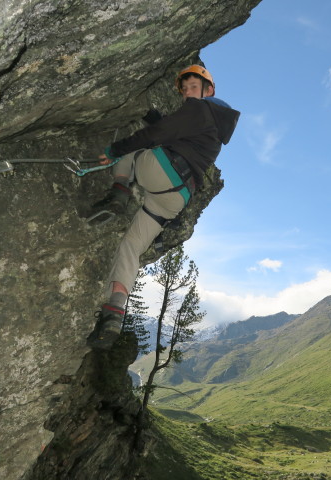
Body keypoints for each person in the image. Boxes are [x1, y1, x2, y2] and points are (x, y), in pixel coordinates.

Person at [86, 65, 240, 350]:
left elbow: (158, 134)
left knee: (134, 145)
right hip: (176, 197)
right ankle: (114, 314)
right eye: (185, 89)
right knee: (131, 245)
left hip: (162, 172)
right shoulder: (214, 125)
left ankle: (119, 192)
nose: (187, 93)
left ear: (209, 90)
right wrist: (154, 117)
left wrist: (112, 152)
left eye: (194, 87)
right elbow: (176, 131)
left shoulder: (198, 109)